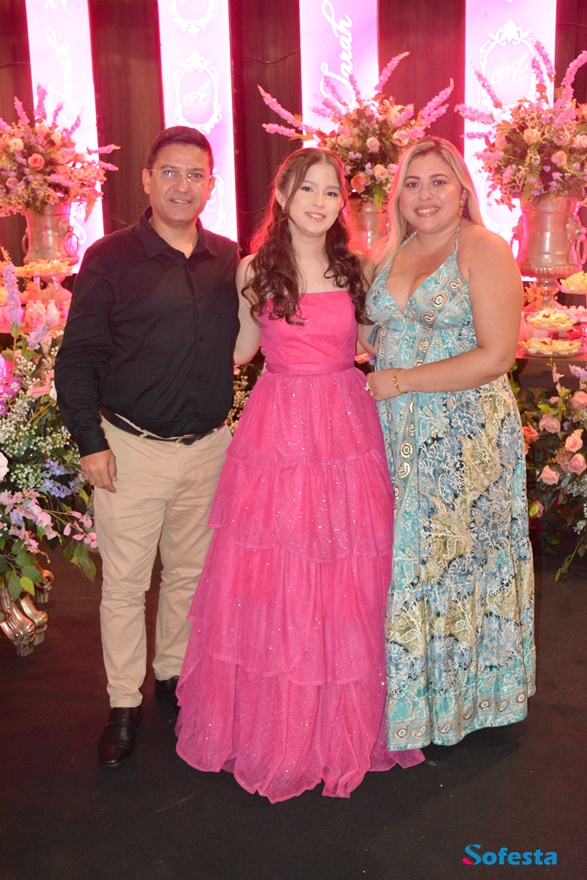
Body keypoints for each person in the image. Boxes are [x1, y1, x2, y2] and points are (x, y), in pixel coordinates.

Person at [175, 147, 425, 802]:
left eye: (330, 191)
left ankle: (345, 722)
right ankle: (276, 724)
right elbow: (239, 349)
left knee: (347, 567)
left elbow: (375, 343)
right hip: (277, 429)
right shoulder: (253, 270)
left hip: (345, 428)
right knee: (276, 567)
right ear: (282, 197)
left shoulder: (356, 268)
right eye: (306, 189)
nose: (319, 202)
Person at [54, 126, 240, 767]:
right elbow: (77, 359)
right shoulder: (109, 258)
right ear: (146, 179)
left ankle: (172, 677)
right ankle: (123, 704)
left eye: (195, 175)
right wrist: (91, 443)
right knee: (126, 586)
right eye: (169, 172)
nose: (182, 186)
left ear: (211, 185)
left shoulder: (228, 258)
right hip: (129, 449)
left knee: (189, 575)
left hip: (209, 449)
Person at [363, 136, 535, 751]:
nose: (425, 195)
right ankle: (414, 699)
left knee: (459, 560)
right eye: (413, 183)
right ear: (397, 196)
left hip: (464, 437)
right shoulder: (390, 253)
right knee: (408, 559)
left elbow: (497, 355)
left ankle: (469, 699)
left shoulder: (483, 248)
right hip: (394, 431)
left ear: (462, 190)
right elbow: (365, 332)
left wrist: (402, 380)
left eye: (439, 181)